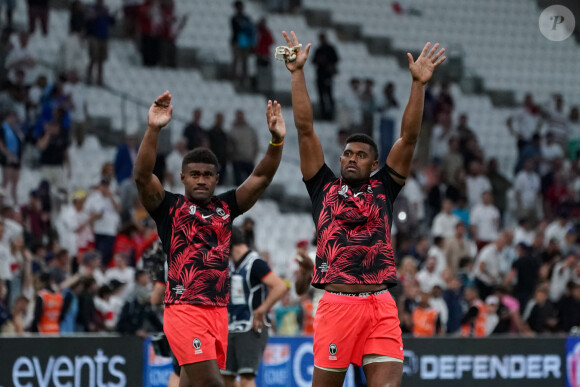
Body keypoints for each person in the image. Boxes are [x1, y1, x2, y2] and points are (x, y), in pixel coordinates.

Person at [281, 30, 445, 386]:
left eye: (361, 155)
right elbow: (305, 130)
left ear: (374, 164)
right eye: (347, 153)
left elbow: (410, 138)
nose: (351, 159)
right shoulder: (322, 186)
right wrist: (297, 73)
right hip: (336, 304)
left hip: (380, 305)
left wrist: (418, 85)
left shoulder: (384, 186)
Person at [133, 90, 286, 387]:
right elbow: (142, 176)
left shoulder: (225, 207)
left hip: (218, 313)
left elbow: (261, 178)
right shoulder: (169, 207)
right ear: (182, 178)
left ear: (217, 178)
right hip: (185, 310)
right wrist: (153, 129)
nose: (201, 179)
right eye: (194, 174)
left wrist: (277, 141)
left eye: (207, 174)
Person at [222, 227, 287, 387]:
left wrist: (262, 309)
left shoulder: (255, 262)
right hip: (231, 327)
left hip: (251, 327)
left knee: (246, 377)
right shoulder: (232, 265)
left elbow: (279, 286)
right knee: (225, 378)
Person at [312, 32, 339, 120]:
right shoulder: (318, 49)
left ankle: (331, 114)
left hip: (327, 75)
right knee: (321, 96)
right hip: (320, 76)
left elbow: (336, 59)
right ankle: (323, 114)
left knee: (329, 95)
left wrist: (328, 63)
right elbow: (314, 61)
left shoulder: (330, 49)